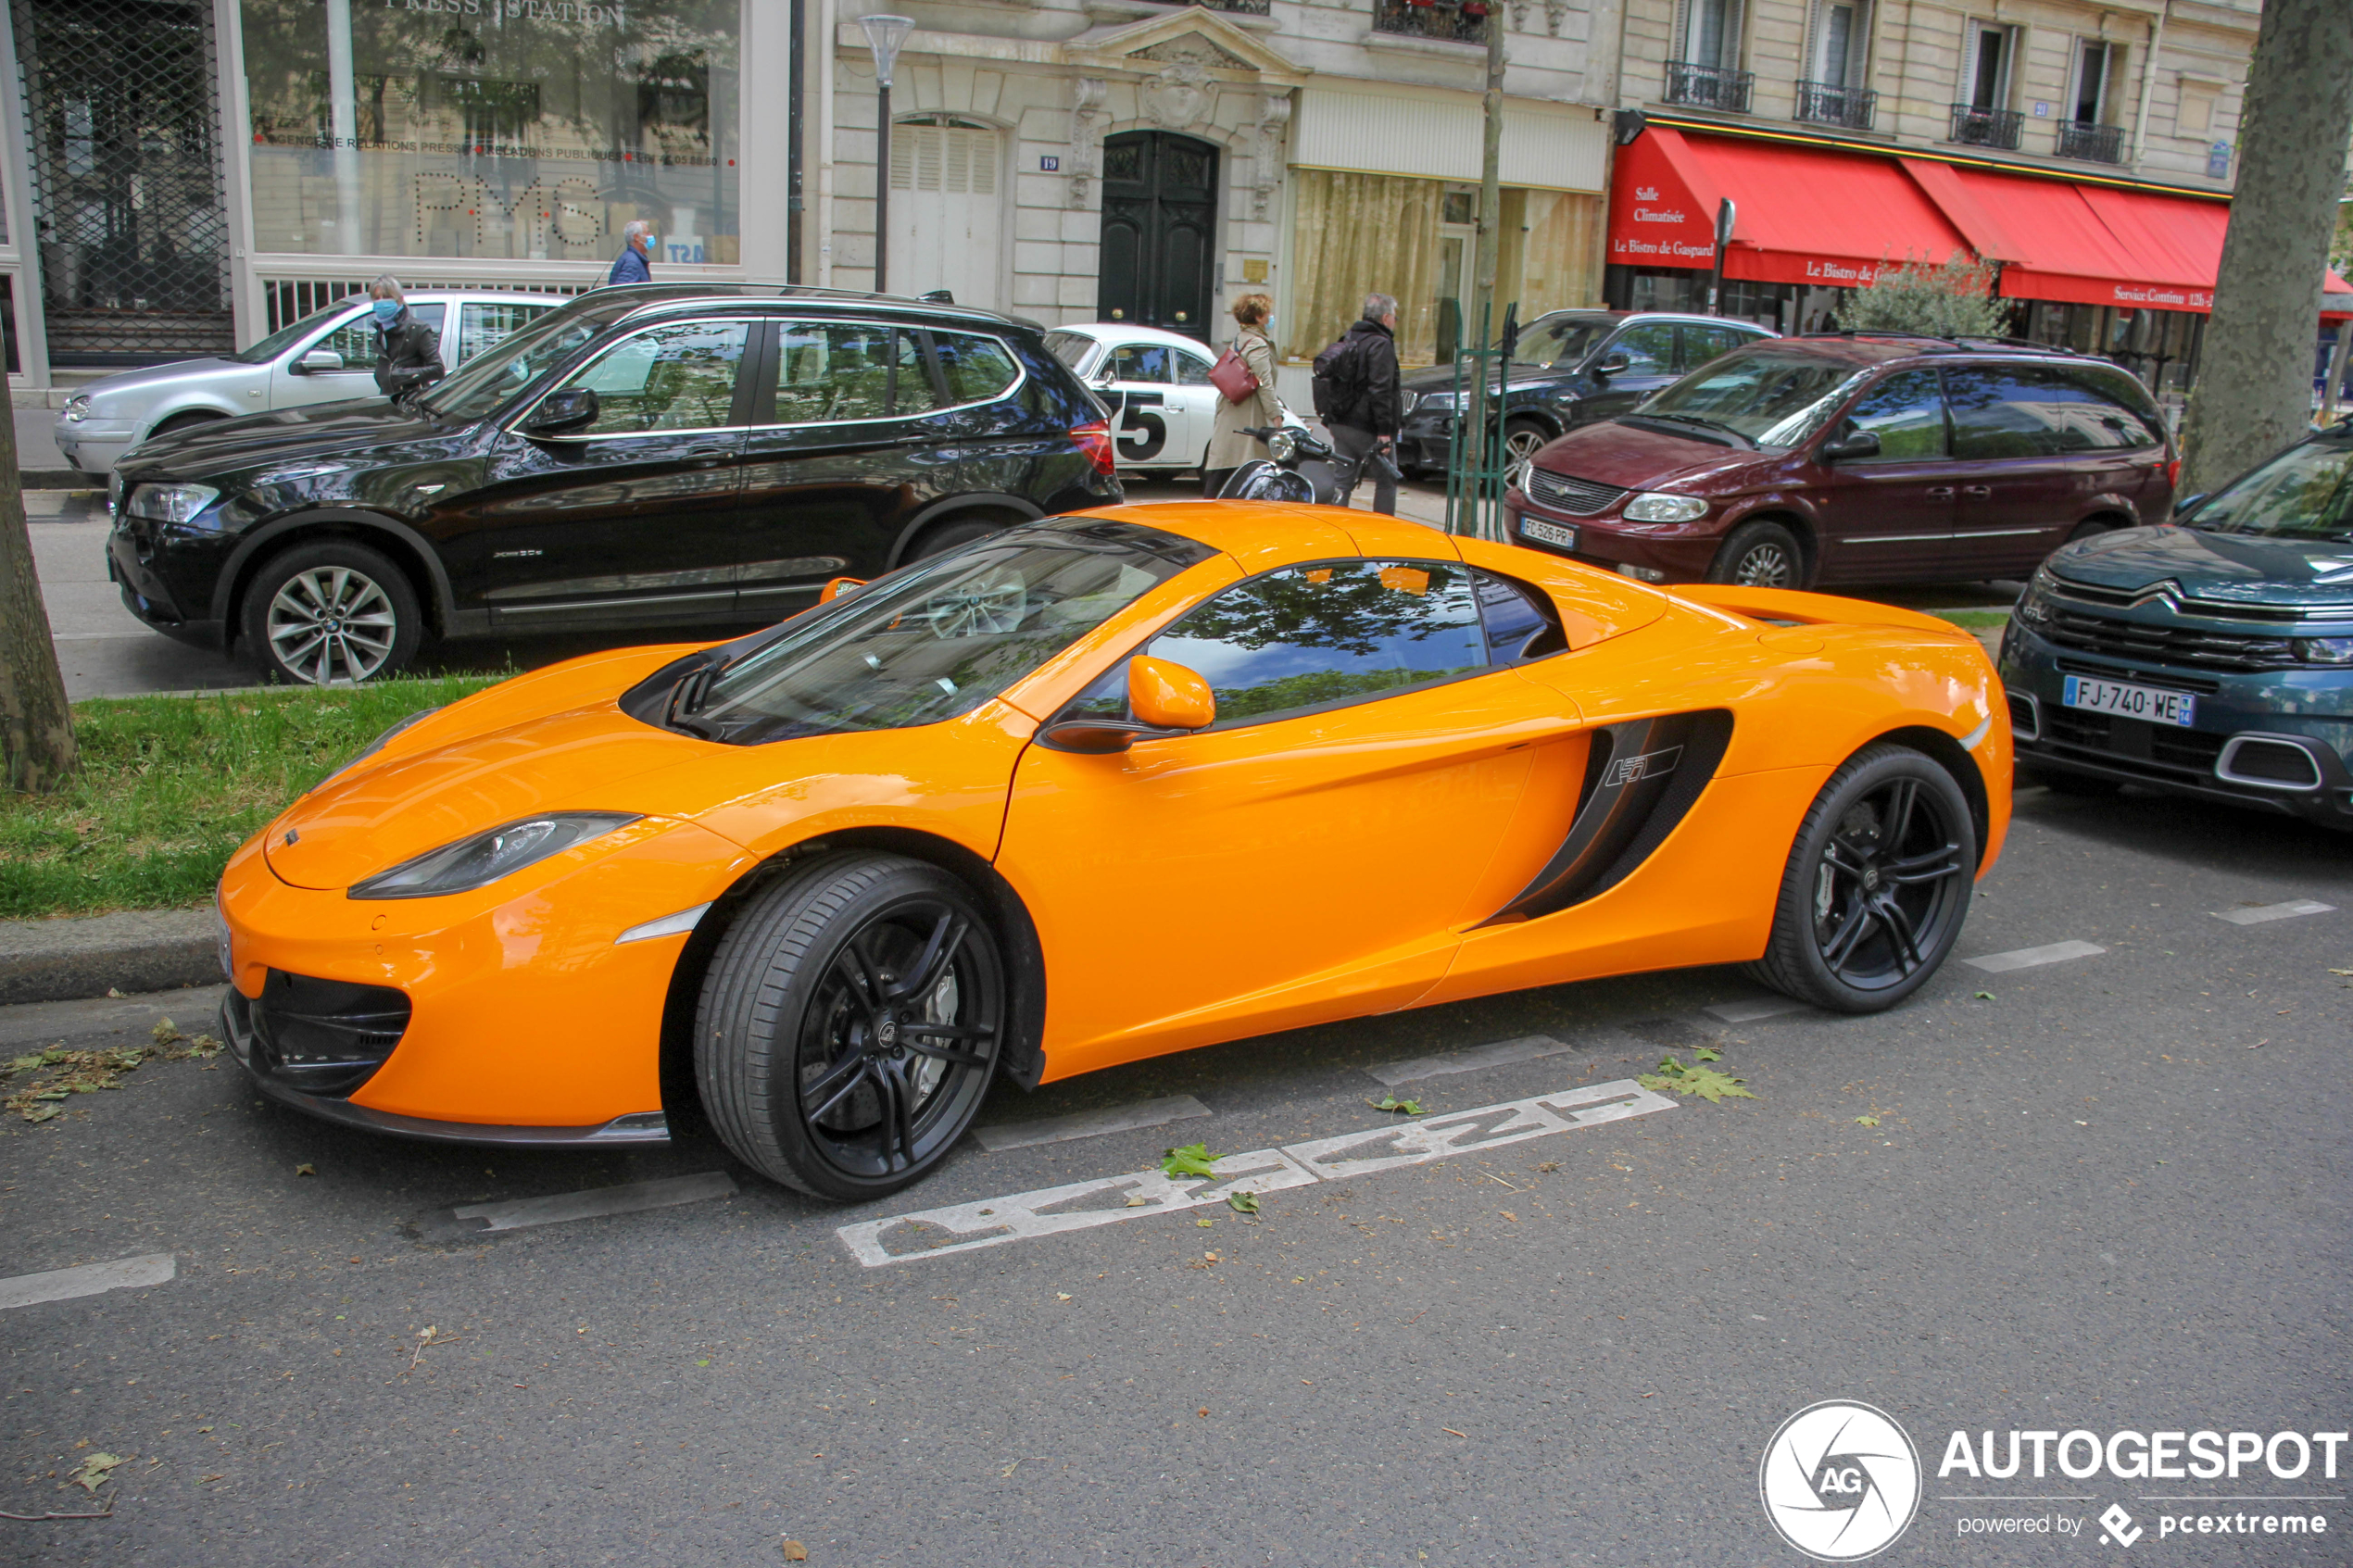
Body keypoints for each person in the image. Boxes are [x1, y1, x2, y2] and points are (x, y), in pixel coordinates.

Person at [1326, 292, 1402, 515]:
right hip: (1366, 425)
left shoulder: (1348, 337)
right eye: (1395, 316)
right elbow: (1381, 389)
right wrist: (1384, 431)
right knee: (1387, 480)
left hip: (1341, 421)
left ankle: (1333, 529)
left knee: (1342, 481)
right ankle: (1382, 534)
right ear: (1386, 317)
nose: (1395, 321)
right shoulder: (1381, 344)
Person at [1202, 294, 1281, 497]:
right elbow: (1265, 383)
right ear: (1258, 317)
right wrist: (1275, 415)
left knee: (1226, 463)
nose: (1270, 317)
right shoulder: (1258, 344)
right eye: (1267, 313)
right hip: (1247, 412)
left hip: (1231, 408)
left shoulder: (1240, 339)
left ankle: (1214, 506)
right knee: (1244, 464)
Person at [365, 276, 443, 401]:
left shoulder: (417, 329)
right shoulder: (380, 330)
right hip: (388, 402)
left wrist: (403, 374)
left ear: (400, 300)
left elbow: (438, 369)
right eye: (377, 298)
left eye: (386, 297)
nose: (381, 302)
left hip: (412, 403)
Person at [608, 220, 653, 286]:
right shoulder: (632, 263)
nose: (651, 236)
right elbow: (623, 292)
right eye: (647, 233)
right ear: (637, 237)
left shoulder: (634, 259)